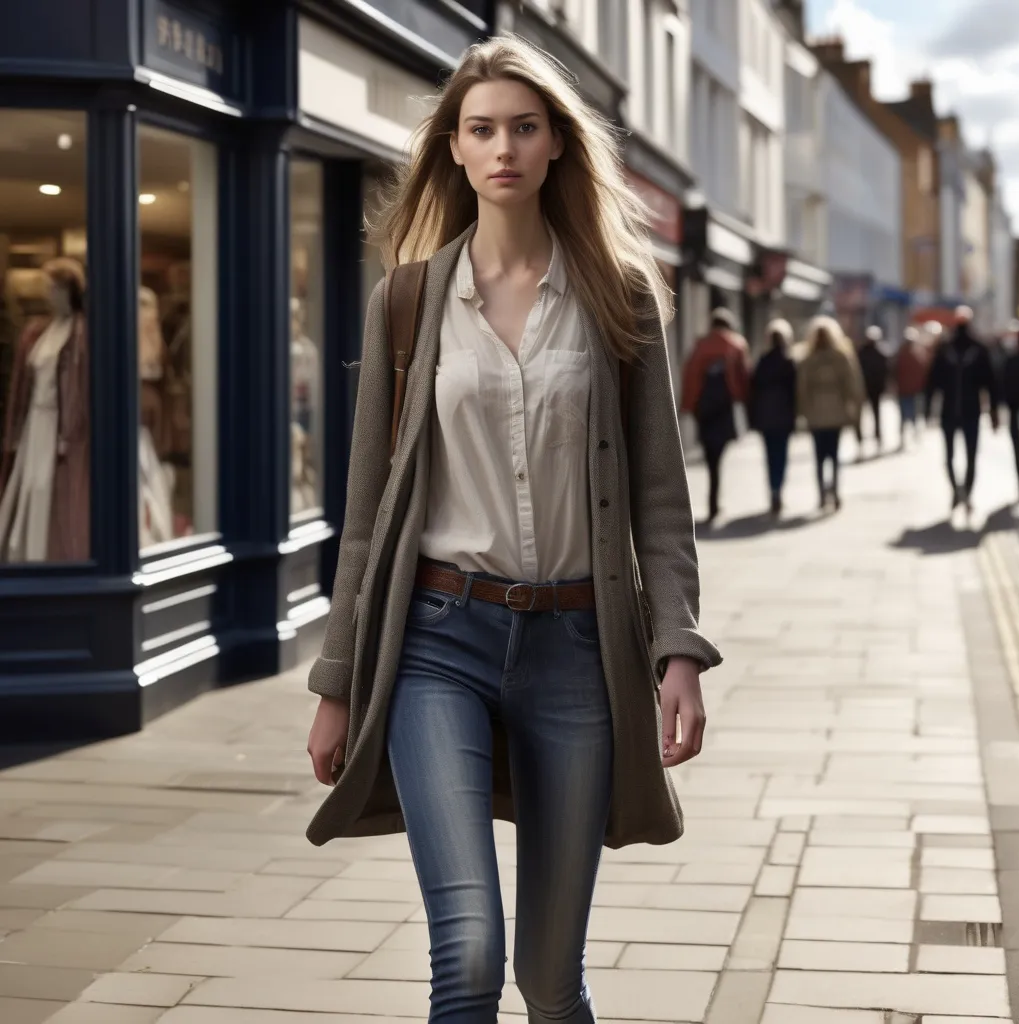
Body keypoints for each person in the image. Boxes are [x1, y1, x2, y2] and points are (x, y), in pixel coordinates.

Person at [304, 37, 722, 1024]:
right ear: (453, 148)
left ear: (555, 148)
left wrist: (680, 650)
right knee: (468, 952)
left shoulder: (618, 296)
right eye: (482, 128)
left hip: (575, 649)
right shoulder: (405, 303)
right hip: (434, 643)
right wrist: (335, 684)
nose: (503, 148)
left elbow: (661, 496)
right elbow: (365, 520)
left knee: (547, 976)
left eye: (523, 128)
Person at [925, 306, 999, 515]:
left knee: (968, 455)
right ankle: (960, 491)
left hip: (968, 411)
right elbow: (933, 381)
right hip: (955, 411)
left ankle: (964, 491)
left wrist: (993, 411)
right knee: (955, 456)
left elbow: (990, 383)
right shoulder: (949, 349)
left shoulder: (975, 349)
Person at [680, 307, 750, 523]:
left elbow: (691, 376)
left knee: (711, 456)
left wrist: (688, 406)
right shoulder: (737, 345)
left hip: (705, 409)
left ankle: (712, 502)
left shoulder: (701, 346)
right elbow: (744, 377)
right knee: (718, 455)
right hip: (724, 409)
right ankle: (714, 501)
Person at [797, 316, 865, 511]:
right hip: (836, 414)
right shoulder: (840, 356)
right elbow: (852, 385)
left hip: (816, 415)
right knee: (834, 455)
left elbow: (802, 389)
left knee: (819, 457)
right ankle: (834, 491)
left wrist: (802, 412)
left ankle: (821, 494)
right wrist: (854, 408)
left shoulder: (808, 359)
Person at [748, 318, 796, 517]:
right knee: (782, 456)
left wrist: (754, 417)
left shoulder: (762, 361)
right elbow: (794, 392)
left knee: (770, 456)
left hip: (766, 416)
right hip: (783, 416)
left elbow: (753, 390)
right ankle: (778, 490)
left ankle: (773, 491)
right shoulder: (788, 362)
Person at [855, 325, 889, 456]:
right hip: (866, 388)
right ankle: (863, 439)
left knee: (875, 414)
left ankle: (877, 437)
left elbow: (885, 371)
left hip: (874, 388)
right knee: (865, 415)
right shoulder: (862, 352)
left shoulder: (878, 352)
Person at [894, 325, 929, 449]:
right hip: (906, 390)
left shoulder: (917, 353)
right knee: (905, 415)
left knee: (912, 414)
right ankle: (905, 437)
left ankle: (913, 435)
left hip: (913, 390)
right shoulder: (903, 354)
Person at [1001, 324, 1019, 500]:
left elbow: (1004, 387)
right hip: (1015, 410)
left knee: (1017, 450)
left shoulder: (1011, 360)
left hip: (1014, 410)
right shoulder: (1011, 360)